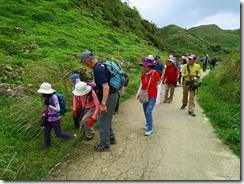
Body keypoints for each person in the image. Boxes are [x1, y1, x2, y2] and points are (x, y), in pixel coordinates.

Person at [80, 50, 118, 151]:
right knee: (107, 119)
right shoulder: (101, 65)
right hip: (113, 95)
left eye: (83, 63)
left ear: (87, 61)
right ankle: (111, 138)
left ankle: (105, 145)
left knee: (102, 122)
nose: (84, 65)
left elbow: (106, 87)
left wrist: (103, 104)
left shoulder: (97, 69)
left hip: (108, 97)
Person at [37, 82, 76, 148]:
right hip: (48, 118)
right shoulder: (46, 97)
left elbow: (58, 109)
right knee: (46, 132)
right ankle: (47, 146)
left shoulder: (54, 97)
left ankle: (72, 137)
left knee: (58, 133)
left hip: (55, 118)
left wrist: (49, 105)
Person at [136, 58, 161, 136]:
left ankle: (150, 128)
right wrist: (138, 93)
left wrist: (158, 98)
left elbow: (159, 85)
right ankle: (147, 124)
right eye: (143, 65)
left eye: (145, 66)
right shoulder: (143, 73)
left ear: (150, 66)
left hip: (152, 96)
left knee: (148, 111)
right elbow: (142, 84)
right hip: (144, 95)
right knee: (145, 111)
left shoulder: (155, 73)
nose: (144, 67)